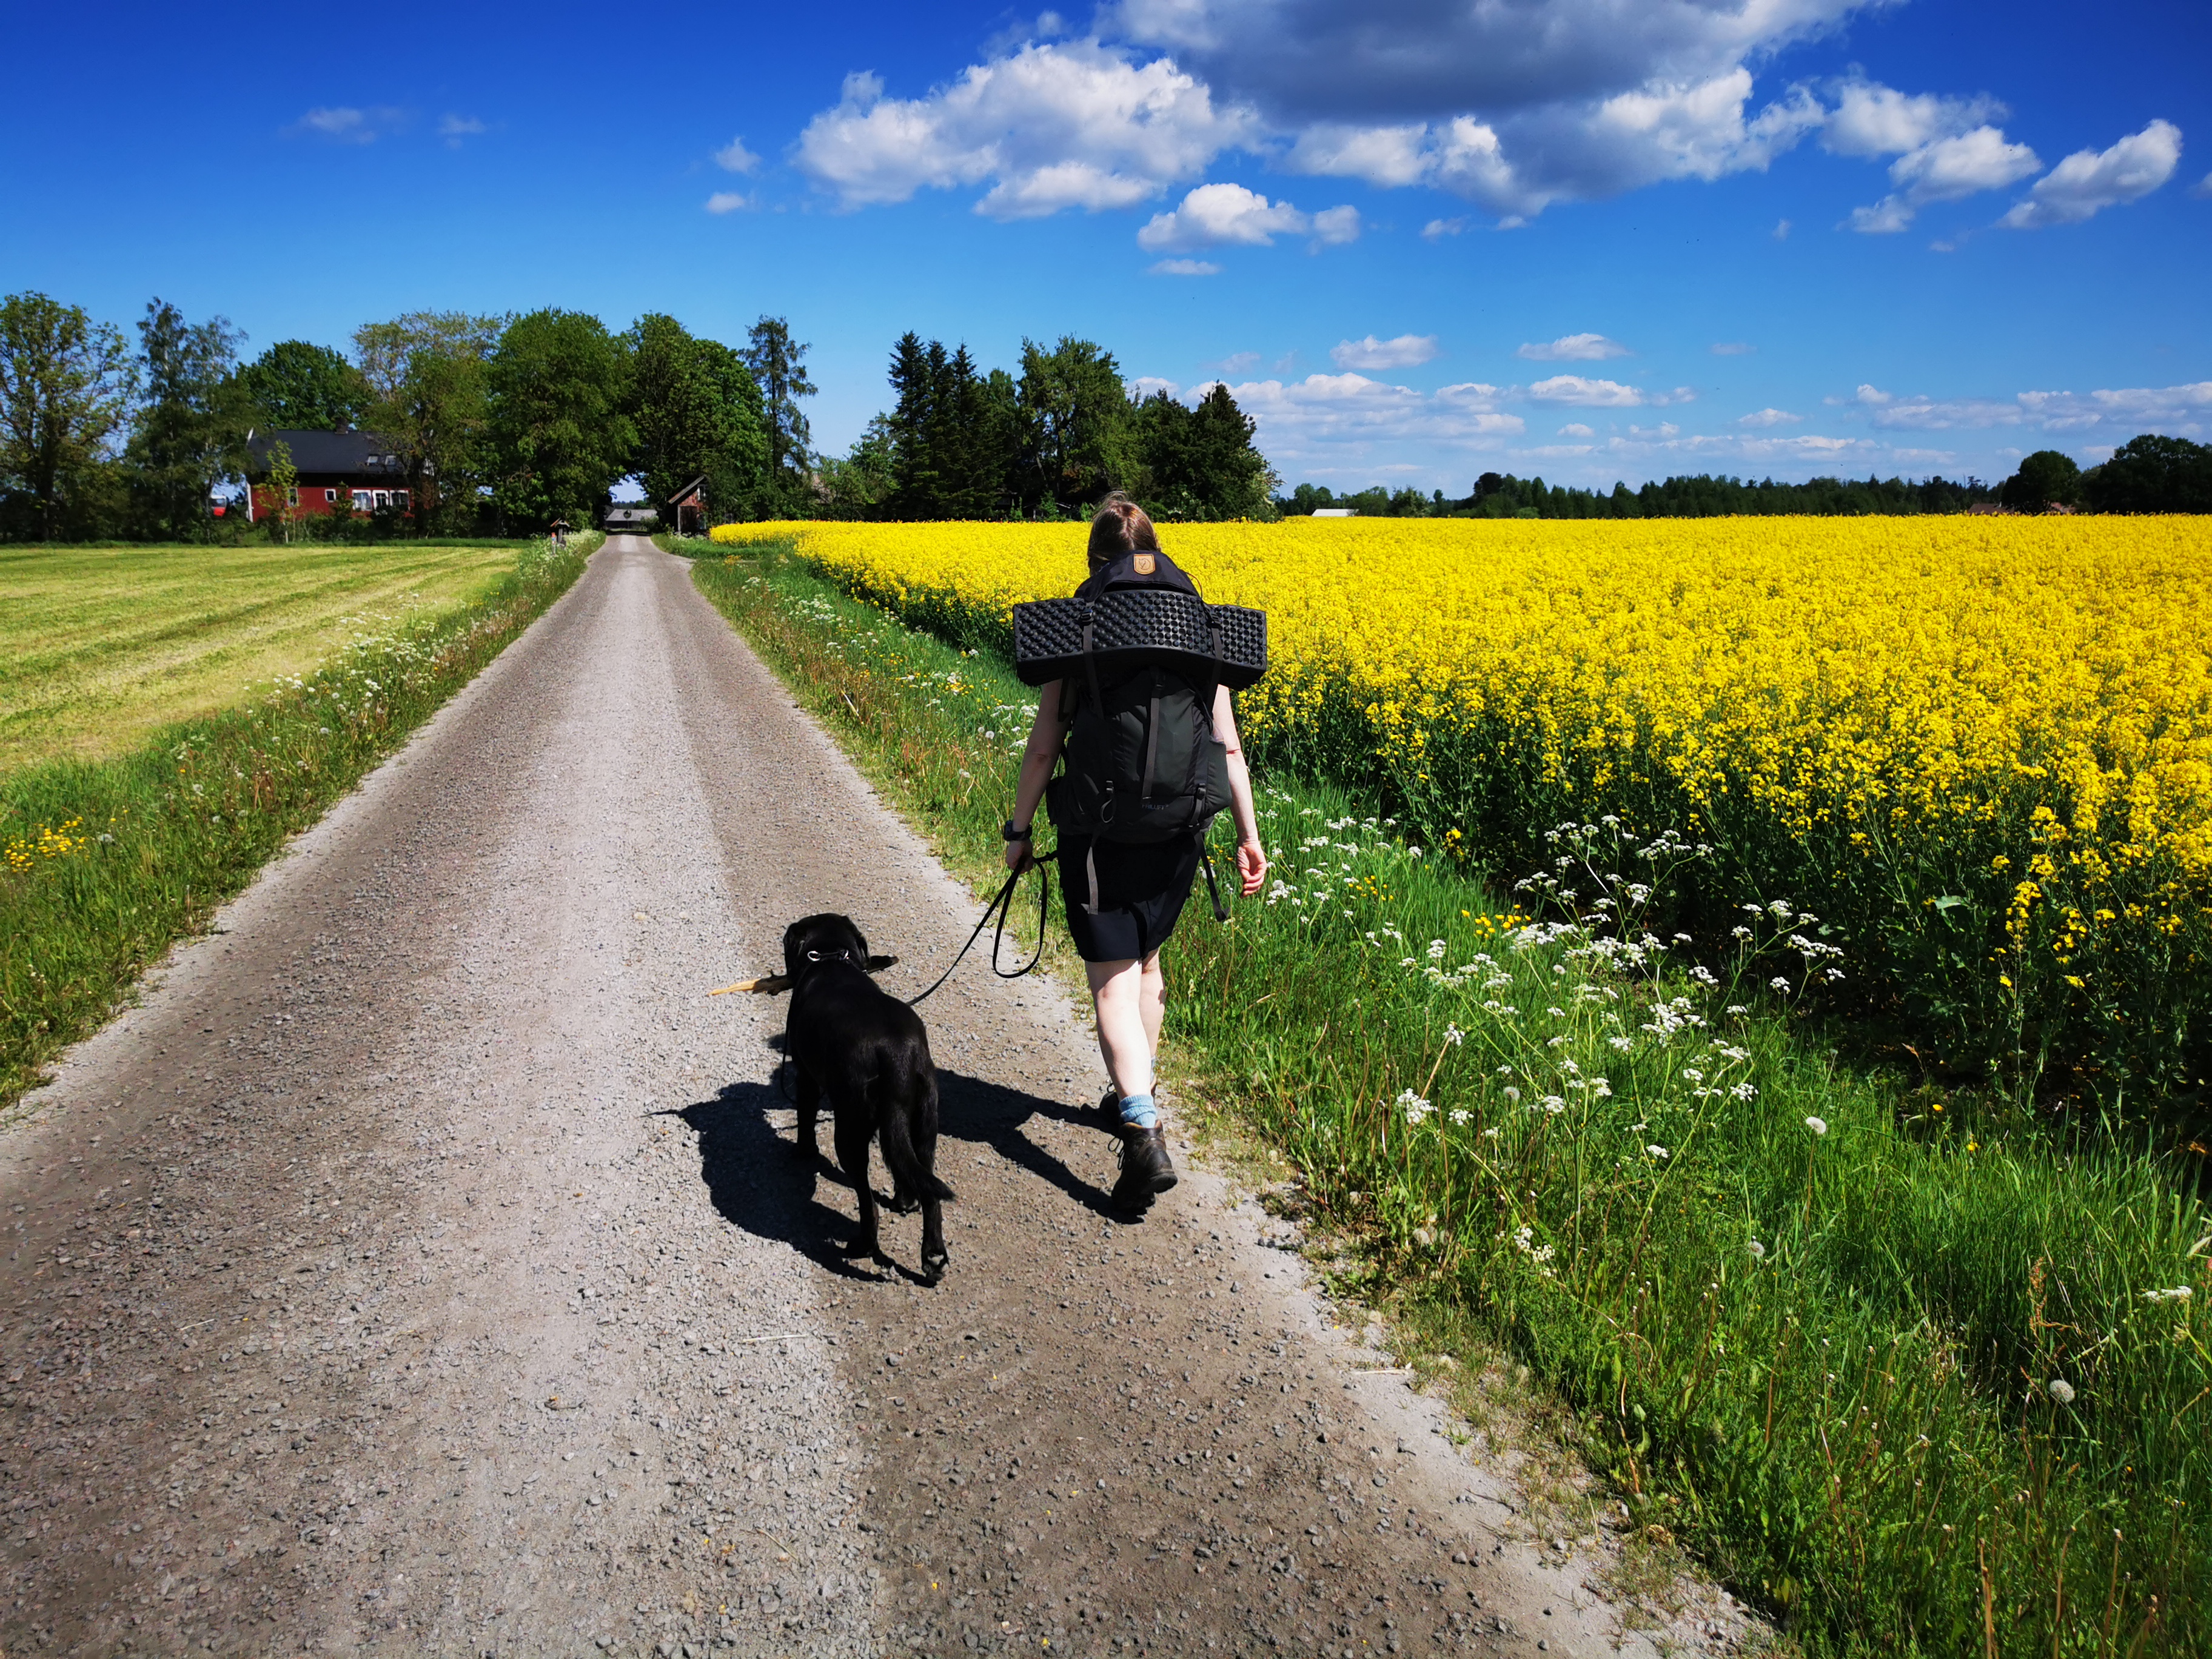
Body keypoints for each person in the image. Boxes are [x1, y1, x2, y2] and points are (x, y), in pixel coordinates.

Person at [1002, 497, 1268, 1210]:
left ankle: (1142, 1128)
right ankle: (1138, 1090)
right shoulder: (1203, 628)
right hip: (1182, 831)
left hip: (1101, 833)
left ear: (1096, 561)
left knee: (1111, 986)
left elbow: (1044, 748)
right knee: (1147, 966)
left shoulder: (1079, 626)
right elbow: (1229, 748)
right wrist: (1249, 837)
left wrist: (1018, 832)